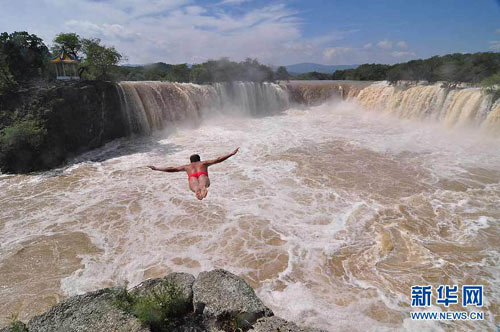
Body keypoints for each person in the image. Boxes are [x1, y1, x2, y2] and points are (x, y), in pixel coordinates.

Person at [147, 147, 239, 200]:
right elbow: (218, 159)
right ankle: (203, 188)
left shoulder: (187, 167)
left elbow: (172, 168)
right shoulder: (203, 163)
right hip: (203, 174)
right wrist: (231, 153)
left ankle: (196, 191)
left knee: (195, 185)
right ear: (199, 160)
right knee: (203, 183)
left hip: (192, 177)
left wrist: (157, 168)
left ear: (190, 161)